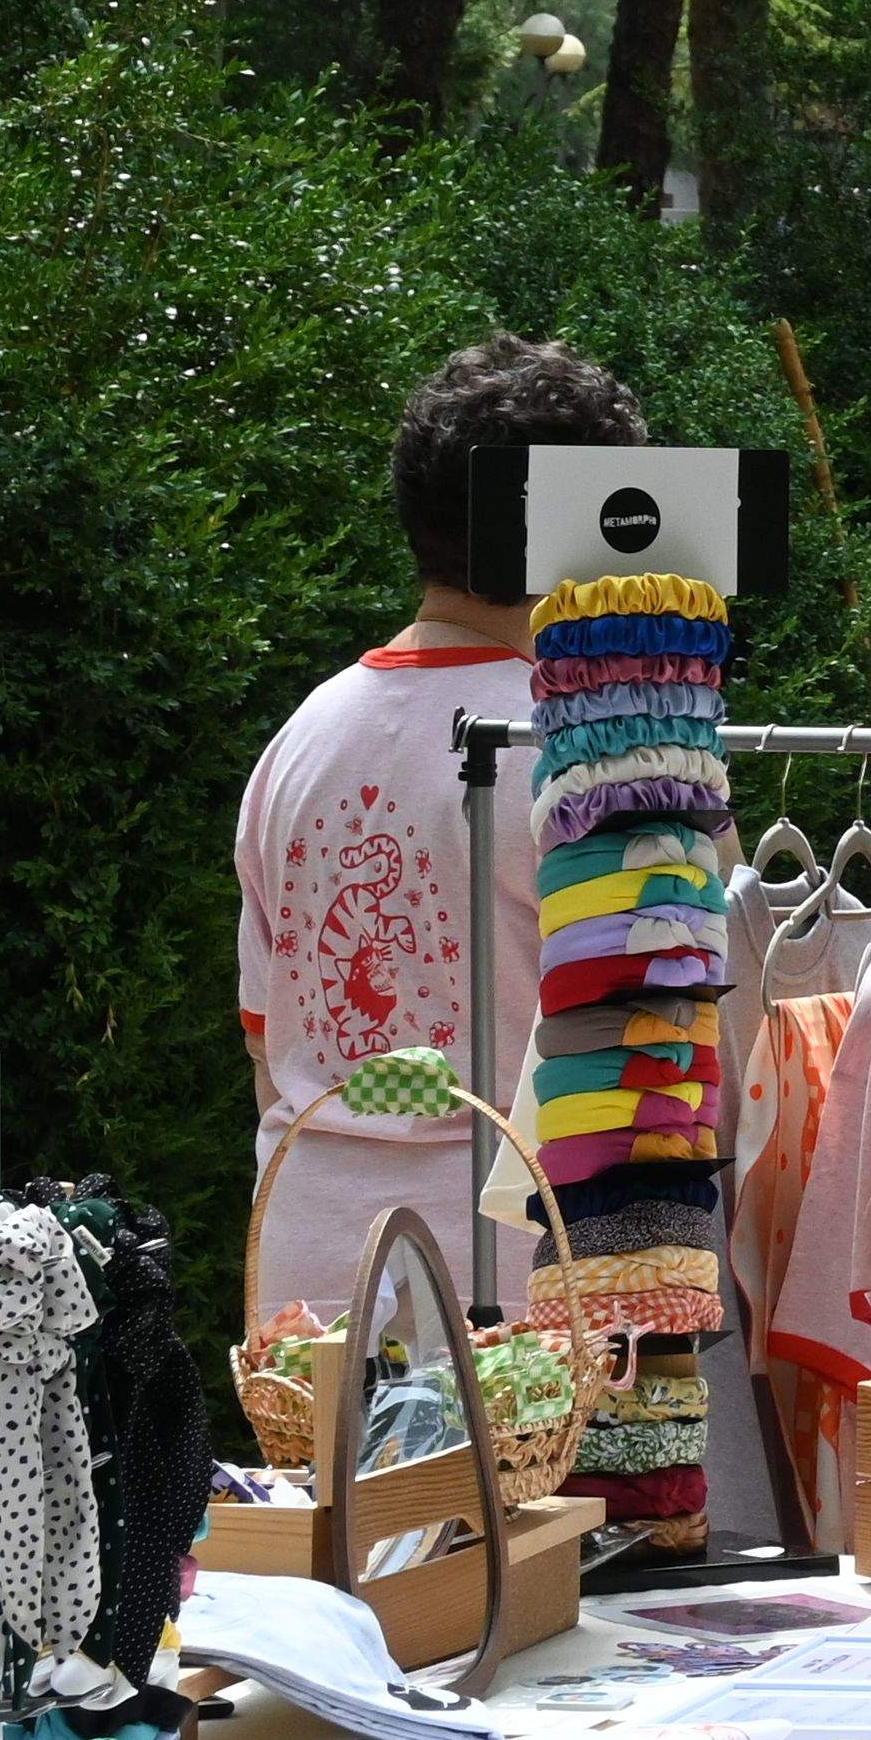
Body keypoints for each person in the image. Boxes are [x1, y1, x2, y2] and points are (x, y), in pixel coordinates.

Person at [236, 336, 646, 1326]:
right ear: (581, 521)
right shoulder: (594, 749)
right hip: (517, 1282)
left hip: (305, 1274)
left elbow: (265, 1046)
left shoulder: (302, 737)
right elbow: (681, 1041)